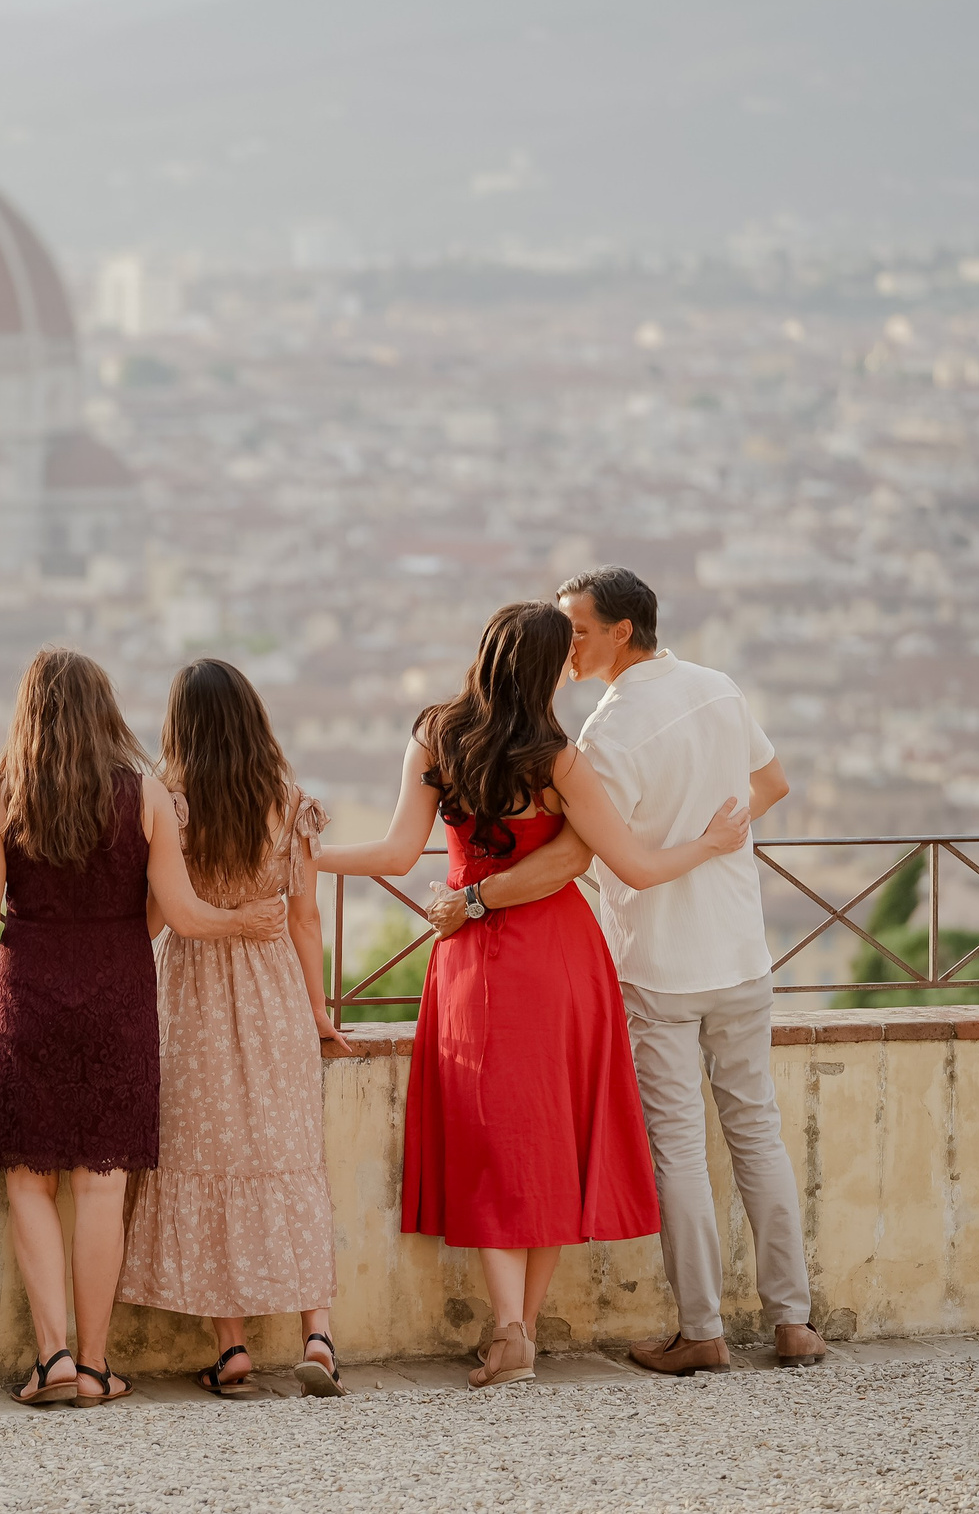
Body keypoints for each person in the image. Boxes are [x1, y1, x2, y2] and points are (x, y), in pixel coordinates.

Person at [314, 601, 746, 1388]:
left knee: (488, 1135)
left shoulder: (434, 735)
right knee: (551, 1133)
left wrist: (306, 856)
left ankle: (509, 1327)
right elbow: (636, 867)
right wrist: (712, 844)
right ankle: (521, 1331)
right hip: (559, 957)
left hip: (470, 959)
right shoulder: (558, 759)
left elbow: (395, 850)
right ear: (548, 669)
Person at [0, 647, 285, 1408]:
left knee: (29, 1180)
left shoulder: (0, 795)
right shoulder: (147, 797)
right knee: (103, 1185)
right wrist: (246, 920)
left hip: (29, 996)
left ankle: (53, 1358)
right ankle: (99, 1365)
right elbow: (186, 916)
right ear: (105, 709)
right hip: (119, 997)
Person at [554, 565, 824, 1376]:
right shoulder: (716, 686)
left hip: (659, 962)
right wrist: (723, 830)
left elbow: (608, 859)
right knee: (758, 1134)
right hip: (740, 949)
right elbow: (772, 783)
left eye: (577, 630)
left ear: (620, 632)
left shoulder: (605, 736)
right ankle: (793, 1321)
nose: (566, 647)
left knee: (678, 1148)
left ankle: (701, 1330)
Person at [118, 658, 350, 1399]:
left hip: (192, 998)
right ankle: (318, 1332)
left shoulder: (173, 807)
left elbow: (156, 919)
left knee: (206, 1156)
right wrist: (317, 1007)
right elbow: (307, 916)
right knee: (290, 1156)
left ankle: (235, 1348)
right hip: (273, 987)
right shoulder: (288, 804)